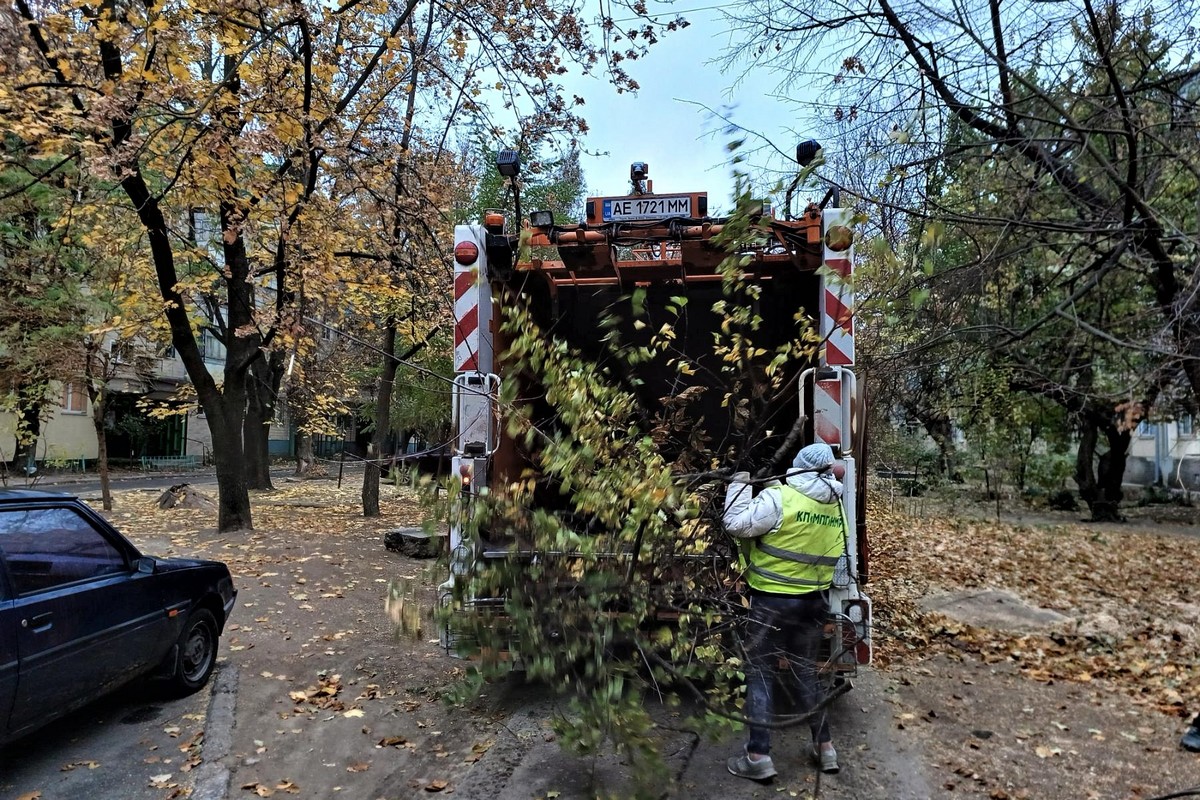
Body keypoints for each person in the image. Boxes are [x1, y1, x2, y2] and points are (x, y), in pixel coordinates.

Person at [722, 442, 846, 781]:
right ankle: (826, 748)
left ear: (799, 467)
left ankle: (759, 756)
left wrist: (740, 480)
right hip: (813, 603)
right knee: (806, 675)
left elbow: (735, 523)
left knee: (760, 674)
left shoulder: (781, 498)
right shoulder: (836, 507)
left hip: (772, 603)